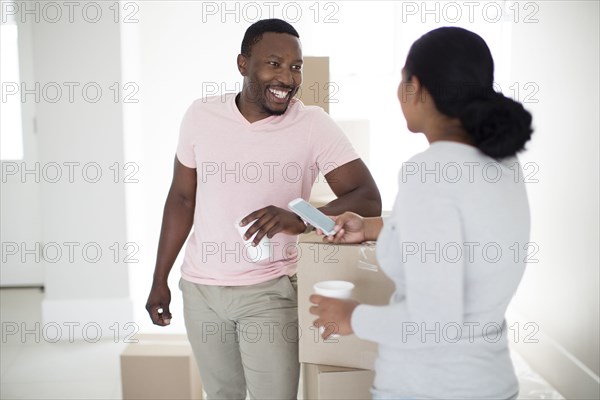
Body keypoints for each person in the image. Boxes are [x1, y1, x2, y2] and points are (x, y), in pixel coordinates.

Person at [146, 19, 381, 400]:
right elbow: (181, 199)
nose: (287, 77)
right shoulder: (200, 115)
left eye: (296, 66)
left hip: (269, 292)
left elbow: (367, 196)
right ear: (243, 64)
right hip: (200, 290)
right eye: (274, 63)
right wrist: (160, 279)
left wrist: (301, 218)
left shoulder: (312, 125)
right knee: (221, 395)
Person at [310, 27, 533, 399]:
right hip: (490, 382)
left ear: (416, 86)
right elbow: (467, 233)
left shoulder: (429, 172)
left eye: (401, 81)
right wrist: (371, 226)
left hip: (431, 386)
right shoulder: (504, 164)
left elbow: (433, 324)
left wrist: (350, 317)